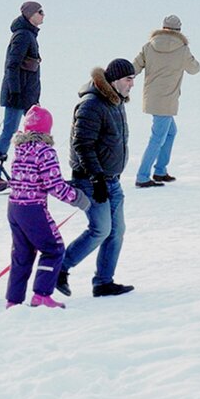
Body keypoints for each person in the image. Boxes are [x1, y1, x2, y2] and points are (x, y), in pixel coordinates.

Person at [56, 59, 136, 299]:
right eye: (128, 79)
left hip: (112, 179)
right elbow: (82, 143)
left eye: (133, 79)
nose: (132, 84)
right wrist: (96, 177)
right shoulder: (92, 104)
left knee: (116, 231)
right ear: (113, 81)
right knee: (100, 229)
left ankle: (103, 282)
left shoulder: (116, 102)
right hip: (91, 180)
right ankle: (59, 267)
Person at [6, 105, 89, 309]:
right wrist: (77, 198)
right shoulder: (45, 151)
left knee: (22, 253)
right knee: (53, 248)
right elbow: (54, 184)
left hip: (14, 207)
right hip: (32, 208)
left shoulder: (19, 148)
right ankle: (41, 294)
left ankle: (13, 299)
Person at [133, 15, 200, 188]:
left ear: (162, 28)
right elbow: (195, 69)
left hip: (152, 99)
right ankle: (142, 176)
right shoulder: (183, 49)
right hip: (168, 100)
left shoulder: (149, 46)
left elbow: (134, 67)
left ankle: (160, 171)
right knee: (157, 138)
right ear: (179, 30)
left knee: (170, 132)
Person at [0, 1, 44, 159]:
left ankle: (33, 165)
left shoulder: (28, 34)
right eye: (40, 12)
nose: (43, 15)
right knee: (10, 131)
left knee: (35, 131)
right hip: (18, 94)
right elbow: (12, 65)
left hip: (26, 94)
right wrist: (15, 91)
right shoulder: (23, 35)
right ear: (30, 15)